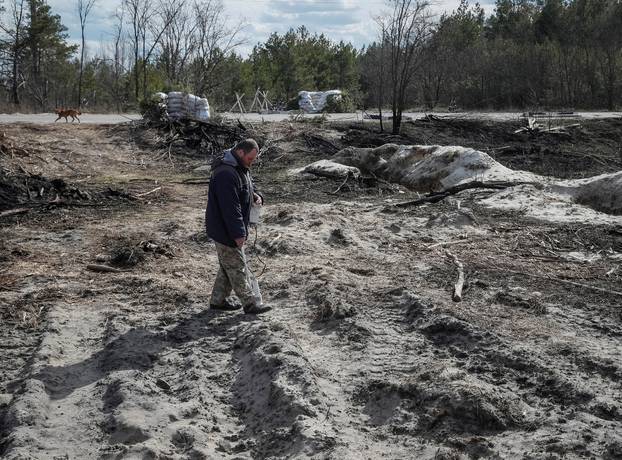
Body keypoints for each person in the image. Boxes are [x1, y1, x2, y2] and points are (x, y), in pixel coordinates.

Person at [205, 139, 271, 314]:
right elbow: (230, 208)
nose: (252, 162)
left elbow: (248, 183)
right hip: (225, 229)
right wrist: (238, 233)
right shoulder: (226, 173)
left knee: (228, 265)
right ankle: (250, 304)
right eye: (250, 158)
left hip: (229, 227)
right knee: (237, 266)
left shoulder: (238, 165)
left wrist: (256, 195)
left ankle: (218, 301)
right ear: (241, 152)